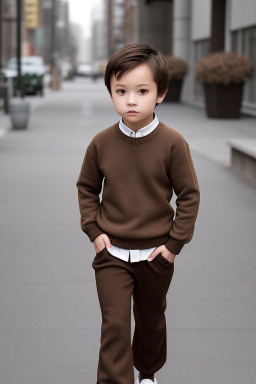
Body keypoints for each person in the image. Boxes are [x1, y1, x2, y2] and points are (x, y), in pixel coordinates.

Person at [76, 43, 200, 384]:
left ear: (160, 94)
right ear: (111, 93)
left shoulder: (173, 143)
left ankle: (147, 373)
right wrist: (93, 229)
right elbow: (86, 188)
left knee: (150, 321)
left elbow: (189, 195)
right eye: (121, 91)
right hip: (111, 252)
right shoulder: (101, 143)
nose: (131, 100)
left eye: (142, 91)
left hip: (156, 254)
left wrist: (174, 245)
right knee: (114, 325)